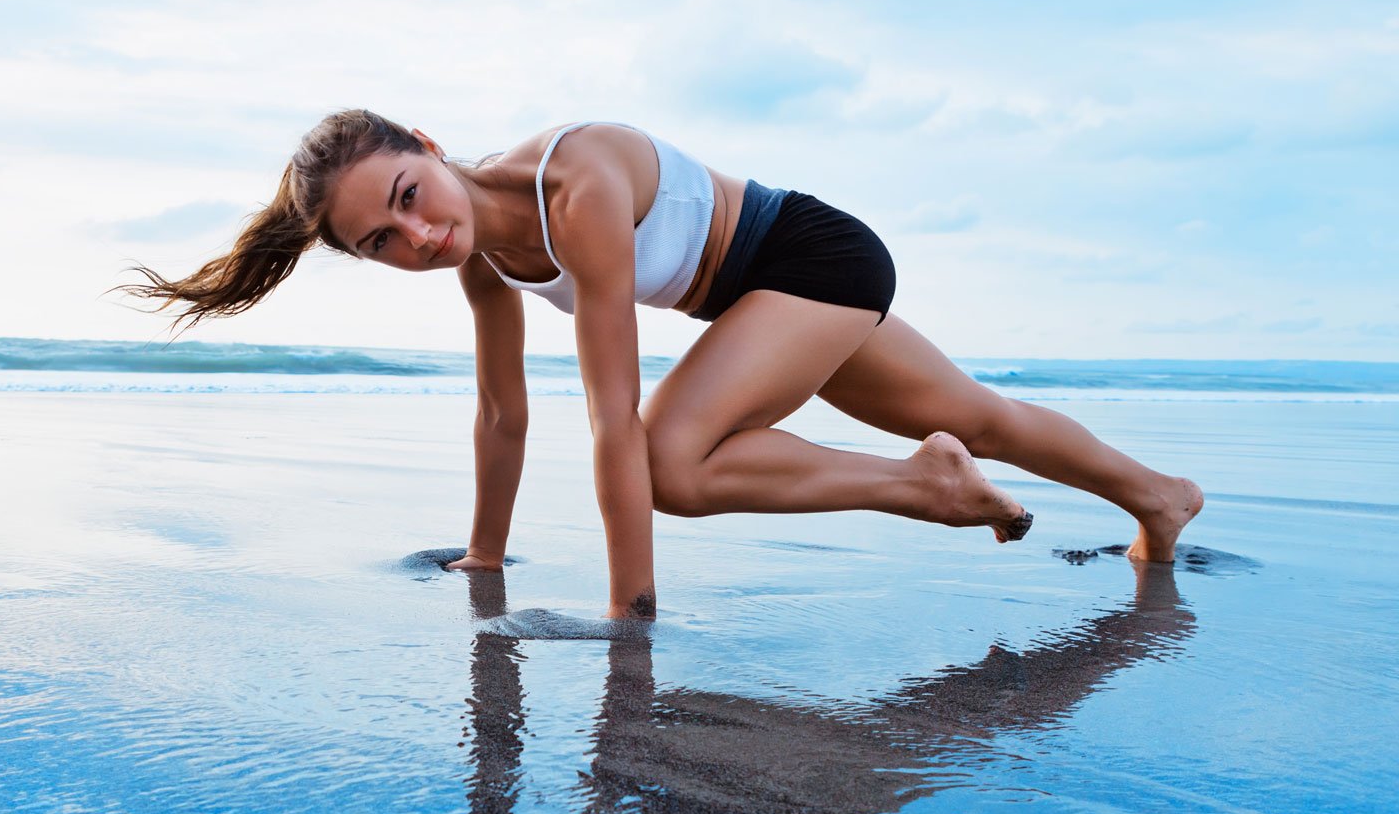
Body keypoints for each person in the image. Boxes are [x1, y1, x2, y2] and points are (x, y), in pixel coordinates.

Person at [123, 110, 1204, 619]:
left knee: (668, 461)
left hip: (810, 257)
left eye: (410, 197)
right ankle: (1159, 498)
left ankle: (925, 484)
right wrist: (484, 554)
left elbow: (612, 416)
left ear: (428, 144)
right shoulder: (482, 260)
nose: (419, 236)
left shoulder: (576, 182)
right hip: (761, 298)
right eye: (381, 243)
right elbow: (502, 415)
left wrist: (626, 615)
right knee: (983, 415)